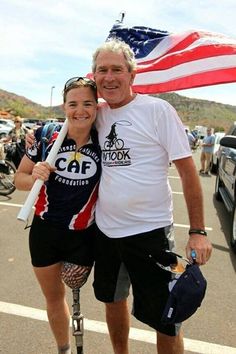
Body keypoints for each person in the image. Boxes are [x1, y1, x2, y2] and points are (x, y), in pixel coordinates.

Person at [91, 39, 212, 354]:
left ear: (132, 74)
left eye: (117, 69)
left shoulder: (157, 110)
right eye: (102, 70)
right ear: (94, 76)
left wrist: (198, 231)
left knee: (165, 315)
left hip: (150, 232)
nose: (109, 76)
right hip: (105, 232)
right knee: (113, 300)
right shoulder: (96, 114)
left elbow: (188, 172)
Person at [14, 78, 101, 354]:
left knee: (76, 294)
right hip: (45, 232)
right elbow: (19, 179)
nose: (80, 111)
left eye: (87, 103)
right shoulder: (45, 134)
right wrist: (35, 174)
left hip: (83, 235)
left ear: (96, 106)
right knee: (54, 298)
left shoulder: (106, 138)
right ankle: (63, 348)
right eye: (73, 104)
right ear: (64, 106)